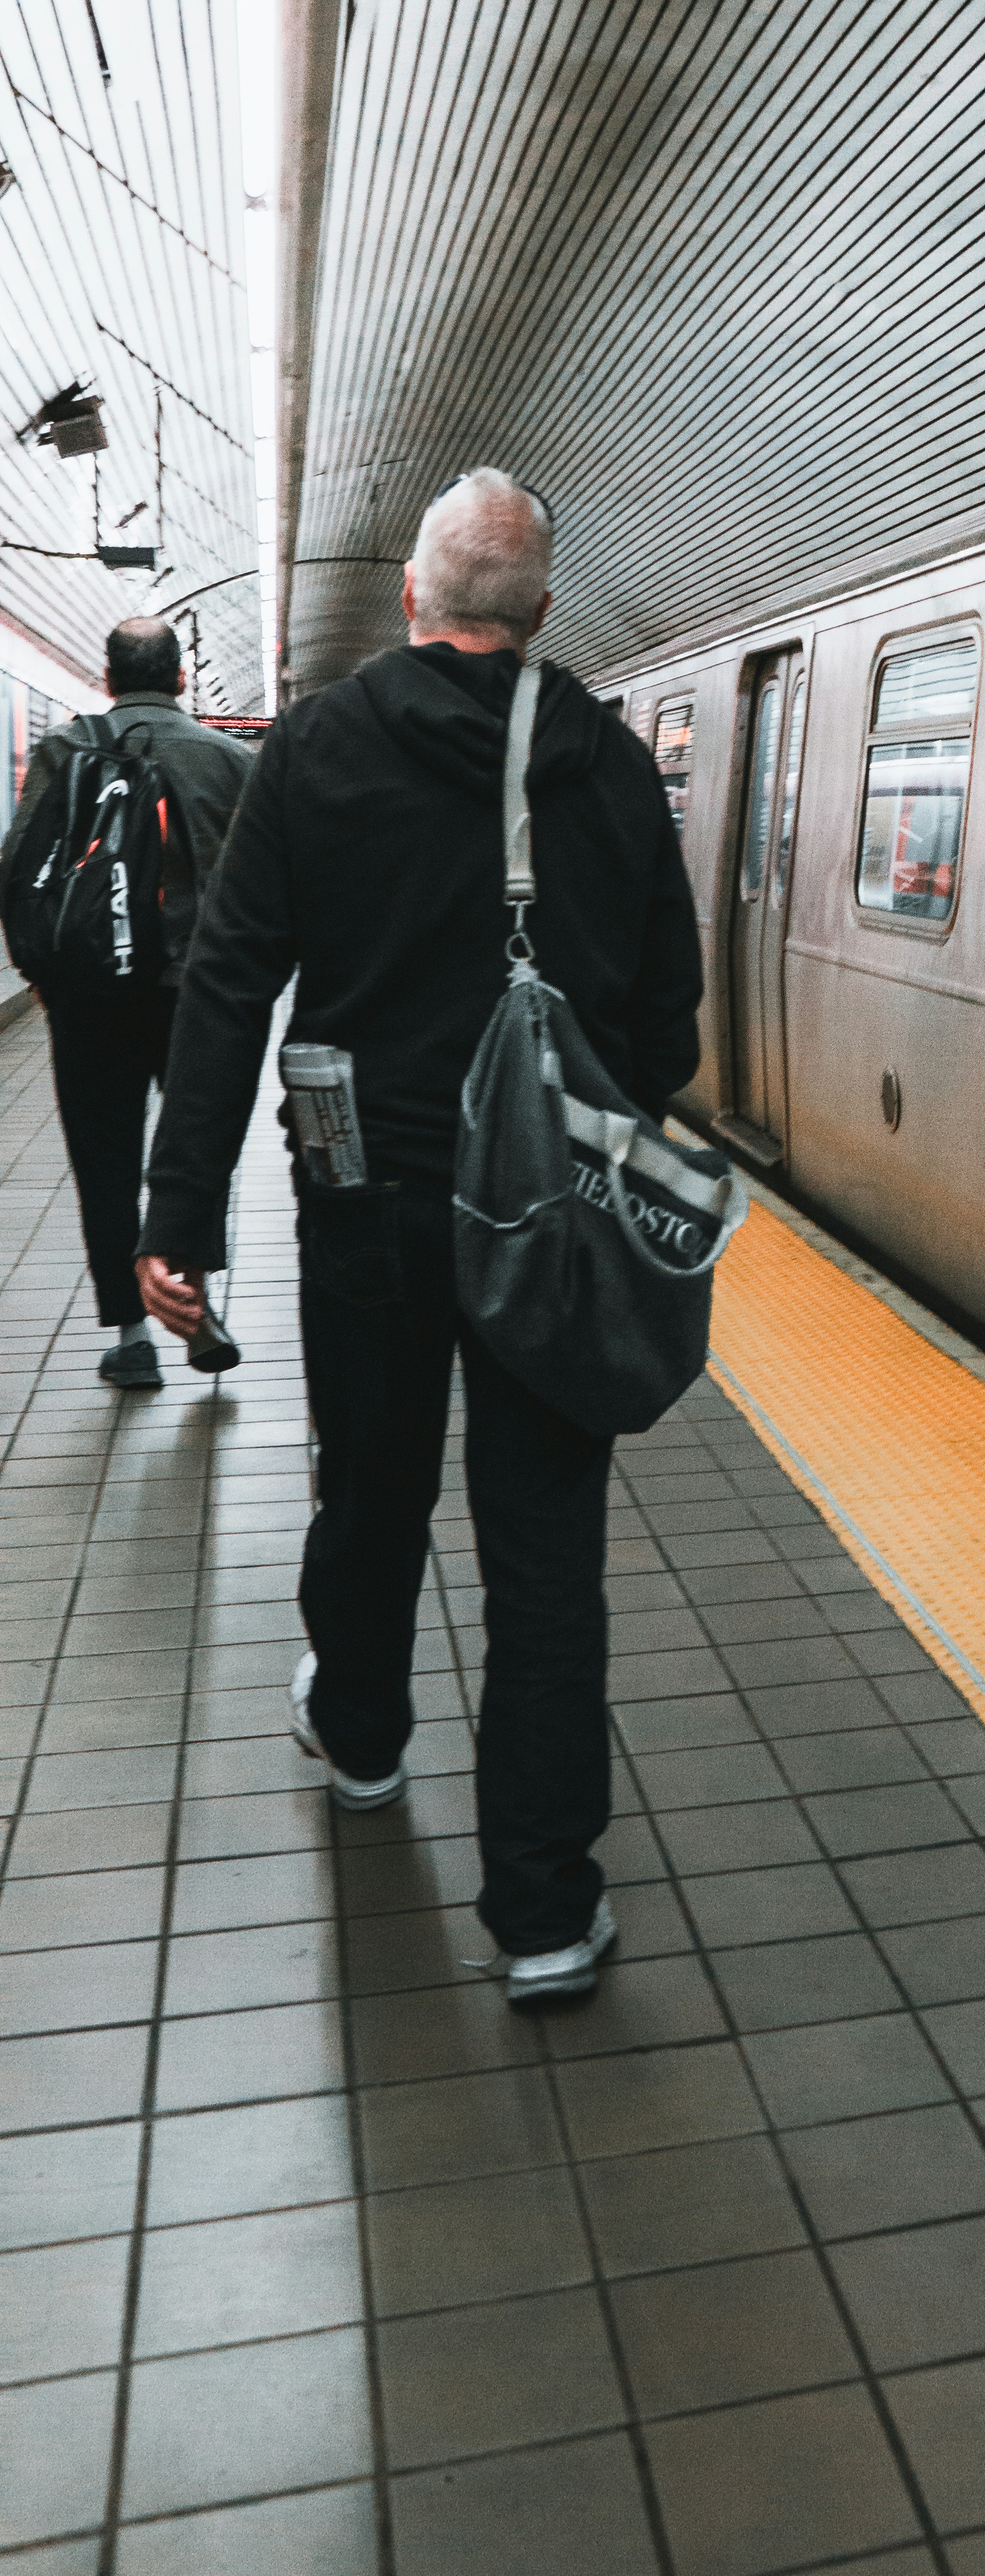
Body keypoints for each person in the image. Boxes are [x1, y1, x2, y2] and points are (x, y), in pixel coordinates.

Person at [134, 473, 702, 2004]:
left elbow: (230, 984)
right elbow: (666, 1023)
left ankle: (367, 1739)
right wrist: (586, 1134)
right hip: (550, 1221)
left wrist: (179, 1217)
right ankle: (541, 1914)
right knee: (544, 1550)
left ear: (410, 597)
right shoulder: (609, 761)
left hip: (362, 1195)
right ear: (540, 617)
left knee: (371, 1487)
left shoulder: (320, 746)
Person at [0, 617, 251, 1387]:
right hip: (195, 1000)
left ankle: (134, 1335)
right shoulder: (229, 759)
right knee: (193, 1156)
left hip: (91, 1000)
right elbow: (255, 892)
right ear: (181, 678)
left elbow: (20, 871)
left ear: (108, 678)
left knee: (105, 1160)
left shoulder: (64, 750)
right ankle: (195, 1305)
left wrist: (44, 978)